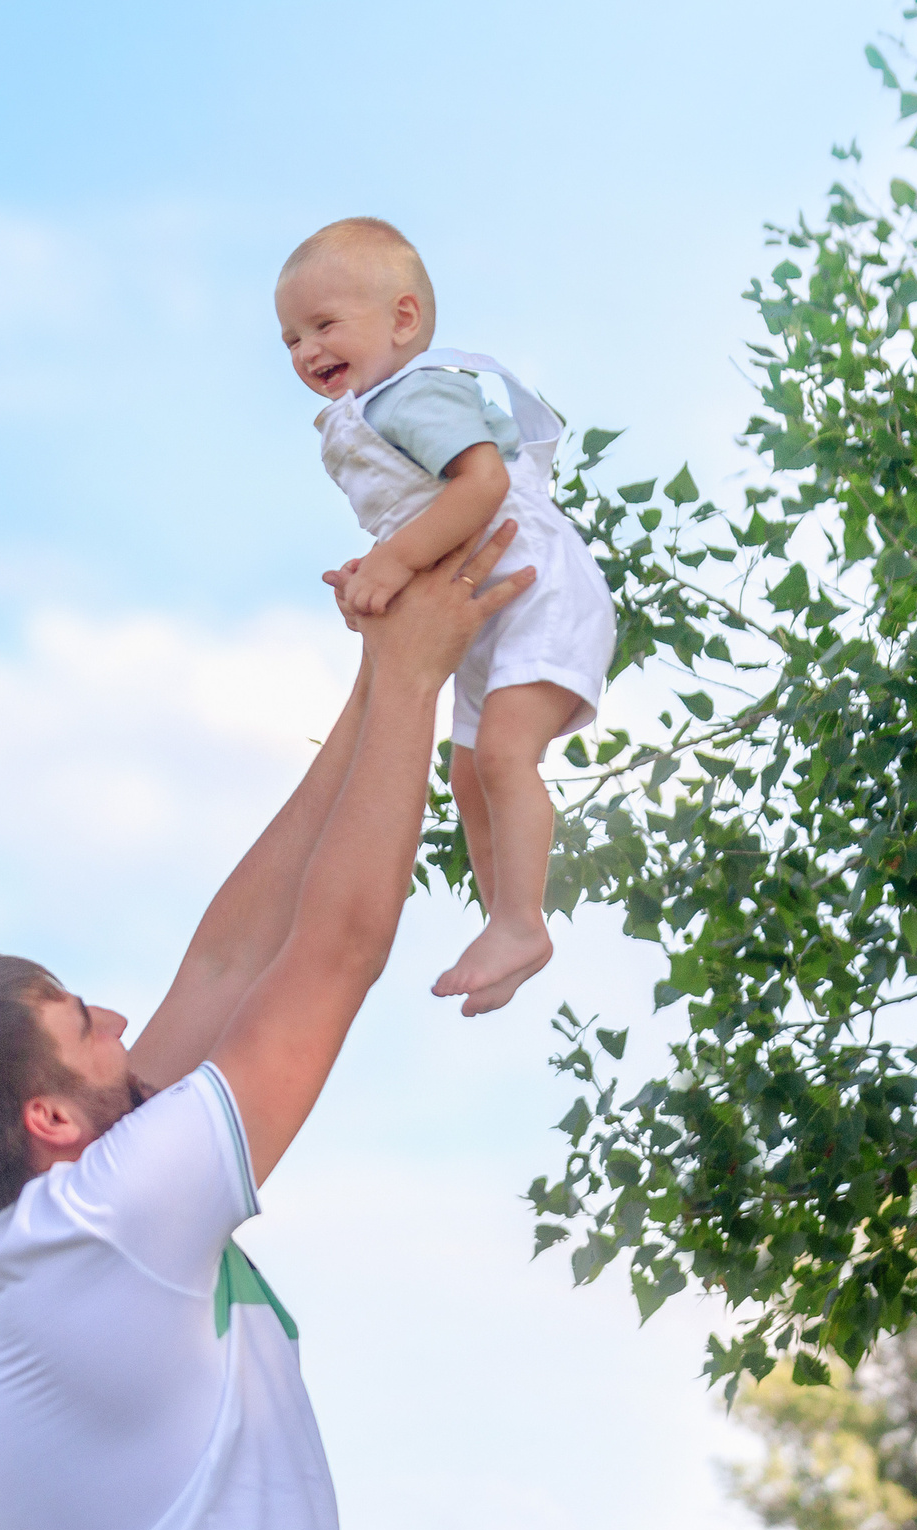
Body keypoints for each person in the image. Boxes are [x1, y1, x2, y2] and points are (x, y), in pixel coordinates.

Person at [0, 522, 535, 1530]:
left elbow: (230, 958)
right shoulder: (112, 1218)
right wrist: (419, 687)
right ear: (47, 1115)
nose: (120, 1018)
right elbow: (330, 951)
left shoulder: (16, 1233)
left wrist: (379, 673)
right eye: (82, 1020)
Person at [276, 216, 618, 1017]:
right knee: (468, 774)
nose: (304, 351)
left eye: (324, 325)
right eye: (289, 338)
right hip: (476, 605)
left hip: (531, 583)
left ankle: (519, 921)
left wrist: (395, 561)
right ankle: (510, 934)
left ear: (403, 319)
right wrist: (383, 563)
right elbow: (422, 515)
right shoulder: (378, 406)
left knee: (502, 755)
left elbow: (480, 487)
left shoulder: (418, 390)